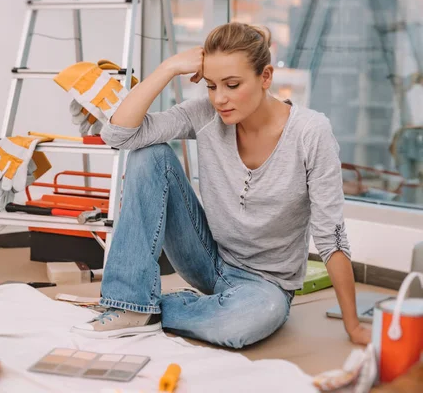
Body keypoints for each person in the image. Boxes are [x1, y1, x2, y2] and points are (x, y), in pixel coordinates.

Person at [71, 22, 371, 348]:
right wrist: (168, 68)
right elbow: (119, 136)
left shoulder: (311, 133)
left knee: (237, 328)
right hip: (207, 260)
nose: (220, 99)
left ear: (265, 77)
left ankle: (151, 308)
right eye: (212, 86)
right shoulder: (205, 114)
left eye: (232, 85)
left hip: (266, 286)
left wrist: (353, 326)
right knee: (149, 155)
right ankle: (131, 305)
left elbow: (331, 239)